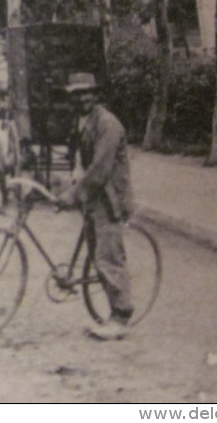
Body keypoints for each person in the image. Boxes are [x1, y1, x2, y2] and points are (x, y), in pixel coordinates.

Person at [56, 72, 135, 341]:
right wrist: (72, 183)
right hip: (94, 197)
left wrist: (73, 194)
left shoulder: (108, 124)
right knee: (96, 255)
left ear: (95, 94)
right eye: (77, 94)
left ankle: (121, 317)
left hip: (111, 198)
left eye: (87, 92)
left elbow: (100, 170)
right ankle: (111, 312)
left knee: (107, 257)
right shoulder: (82, 121)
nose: (83, 98)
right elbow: (80, 158)